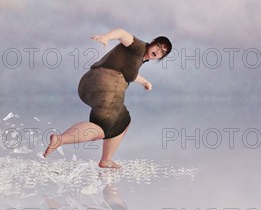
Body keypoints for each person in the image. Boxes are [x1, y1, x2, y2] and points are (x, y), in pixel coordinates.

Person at [43, 28, 172, 168]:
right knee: (102, 127)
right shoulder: (138, 47)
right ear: (152, 42)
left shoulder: (139, 57)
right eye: (159, 46)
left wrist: (145, 82)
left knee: (122, 120)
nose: (158, 52)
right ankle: (60, 140)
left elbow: (129, 74)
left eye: (162, 52)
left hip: (89, 85)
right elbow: (123, 33)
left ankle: (106, 160)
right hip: (106, 85)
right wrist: (106, 37)